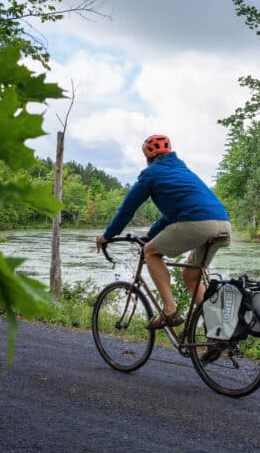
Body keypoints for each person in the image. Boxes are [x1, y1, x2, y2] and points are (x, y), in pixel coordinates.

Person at [95, 134, 232, 329]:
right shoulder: (183, 170)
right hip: (223, 224)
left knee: (150, 251)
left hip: (198, 222)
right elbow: (172, 214)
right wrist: (151, 234)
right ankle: (217, 331)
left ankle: (169, 310)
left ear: (148, 158)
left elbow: (127, 210)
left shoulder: (151, 174)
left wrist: (107, 236)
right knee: (191, 277)